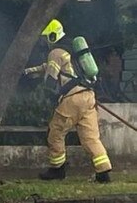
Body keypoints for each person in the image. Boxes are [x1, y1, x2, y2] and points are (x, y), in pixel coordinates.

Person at [24, 19, 112, 182]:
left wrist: (44, 91)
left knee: (55, 132)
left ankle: (57, 170)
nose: (44, 43)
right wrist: (30, 71)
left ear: (51, 36)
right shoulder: (70, 50)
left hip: (72, 99)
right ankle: (103, 173)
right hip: (88, 96)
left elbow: (50, 78)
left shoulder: (55, 52)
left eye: (45, 38)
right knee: (91, 137)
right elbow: (54, 67)